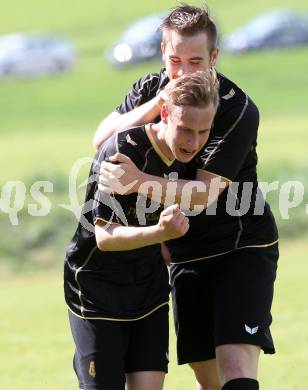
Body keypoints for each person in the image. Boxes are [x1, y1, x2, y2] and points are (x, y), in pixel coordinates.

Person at [96, 4, 279, 390]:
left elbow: (200, 196)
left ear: (214, 58)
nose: (182, 72)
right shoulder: (152, 88)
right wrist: (156, 106)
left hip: (241, 245)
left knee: (235, 364)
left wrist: (137, 181)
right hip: (184, 251)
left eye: (195, 61)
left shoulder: (237, 110)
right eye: (175, 60)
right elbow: (101, 140)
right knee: (206, 374)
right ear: (164, 52)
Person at [64, 70, 219, 390]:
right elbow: (104, 238)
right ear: (164, 113)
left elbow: (207, 195)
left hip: (148, 289)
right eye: (185, 129)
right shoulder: (123, 152)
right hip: (96, 290)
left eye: (203, 131)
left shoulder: (195, 157)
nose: (194, 141)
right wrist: (160, 233)